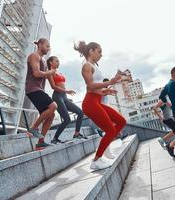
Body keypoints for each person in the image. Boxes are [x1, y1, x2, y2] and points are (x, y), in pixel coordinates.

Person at [74, 41, 126, 170]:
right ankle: (96, 161)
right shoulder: (86, 66)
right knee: (110, 130)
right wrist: (109, 82)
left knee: (121, 121)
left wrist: (106, 91)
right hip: (90, 103)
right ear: (91, 51)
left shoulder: (94, 66)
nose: (101, 55)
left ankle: (106, 144)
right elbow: (90, 86)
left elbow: (95, 88)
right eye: (99, 51)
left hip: (96, 100)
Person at [25, 38, 57, 150]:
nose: (49, 49)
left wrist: (50, 73)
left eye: (49, 47)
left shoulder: (42, 60)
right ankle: (33, 128)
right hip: (32, 89)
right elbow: (37, 73)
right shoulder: (34, 56)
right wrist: (50, 72)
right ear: (40, 45)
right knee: (53, 106)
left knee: (51, 114)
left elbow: (43, 79)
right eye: (47, 46)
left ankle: (40, 142)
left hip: (38, 90)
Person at [47, 56, 86, 144]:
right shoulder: (49, 73)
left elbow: (61, 84)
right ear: (50, 62)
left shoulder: (59, 72)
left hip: (64, 97)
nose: (58, 63)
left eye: (59, 61)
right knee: (67, 119)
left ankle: (76, 133)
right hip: (57, 97)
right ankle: (55, 139)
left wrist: (66, 94)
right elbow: (53, 86)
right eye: (56, 61)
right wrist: (67, 91)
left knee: (80, 112)